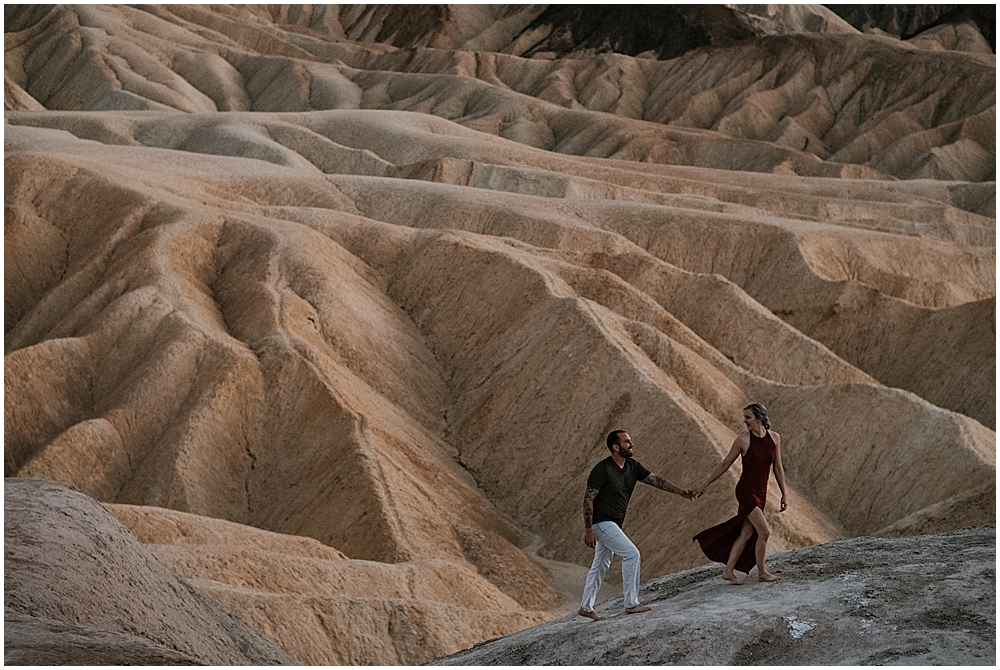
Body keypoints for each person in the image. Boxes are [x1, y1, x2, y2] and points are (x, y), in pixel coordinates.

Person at [578, 429, 695, 621]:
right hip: (602, 521)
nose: (631, 444)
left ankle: (586, 606)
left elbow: (656, 480)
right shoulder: (602, 469)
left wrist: (681, 492)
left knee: (600, 564)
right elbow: (588, 499)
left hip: (614, 522)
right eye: (626, 442)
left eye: (630, 441)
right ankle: (631, 604)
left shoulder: (632, 466)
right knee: (631, 553)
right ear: (616, 447)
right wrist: (589, 529)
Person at [692, 403, 787, 584]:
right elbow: (725, 464)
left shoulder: (775, 438)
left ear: (759, 418)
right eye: (744, 417)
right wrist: (705, 485)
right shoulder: (743, 441)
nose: (745, 421)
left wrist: (784, 494)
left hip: (762, 492)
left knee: (746, 534)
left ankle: (728, 571)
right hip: (746, 491)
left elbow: (778, 467)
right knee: (764, 532)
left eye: (748, 417)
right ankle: (762, 572)